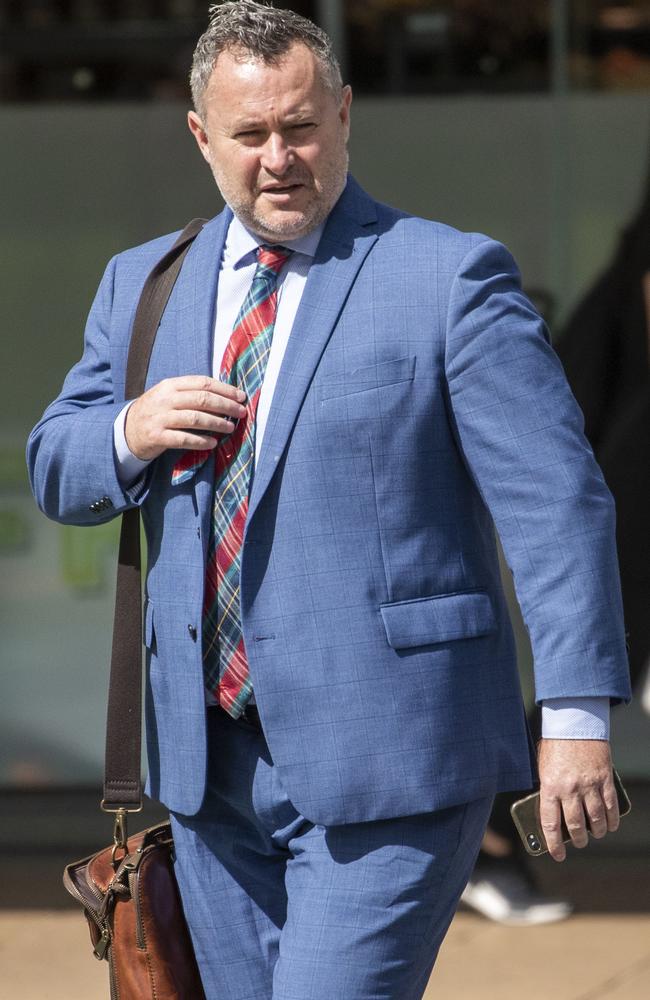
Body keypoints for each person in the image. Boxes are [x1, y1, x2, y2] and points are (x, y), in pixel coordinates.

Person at [27, 3, 631, 998]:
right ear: (200, 138)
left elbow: (554, 504)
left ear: (344, 114)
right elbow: (57, 462)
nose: (278, 157)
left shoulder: (446, 277)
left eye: (300, 126)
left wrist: (571, 716)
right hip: (204, 765)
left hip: (393, 753)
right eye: (250, 134)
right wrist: (125, 429)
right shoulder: (142, 286)